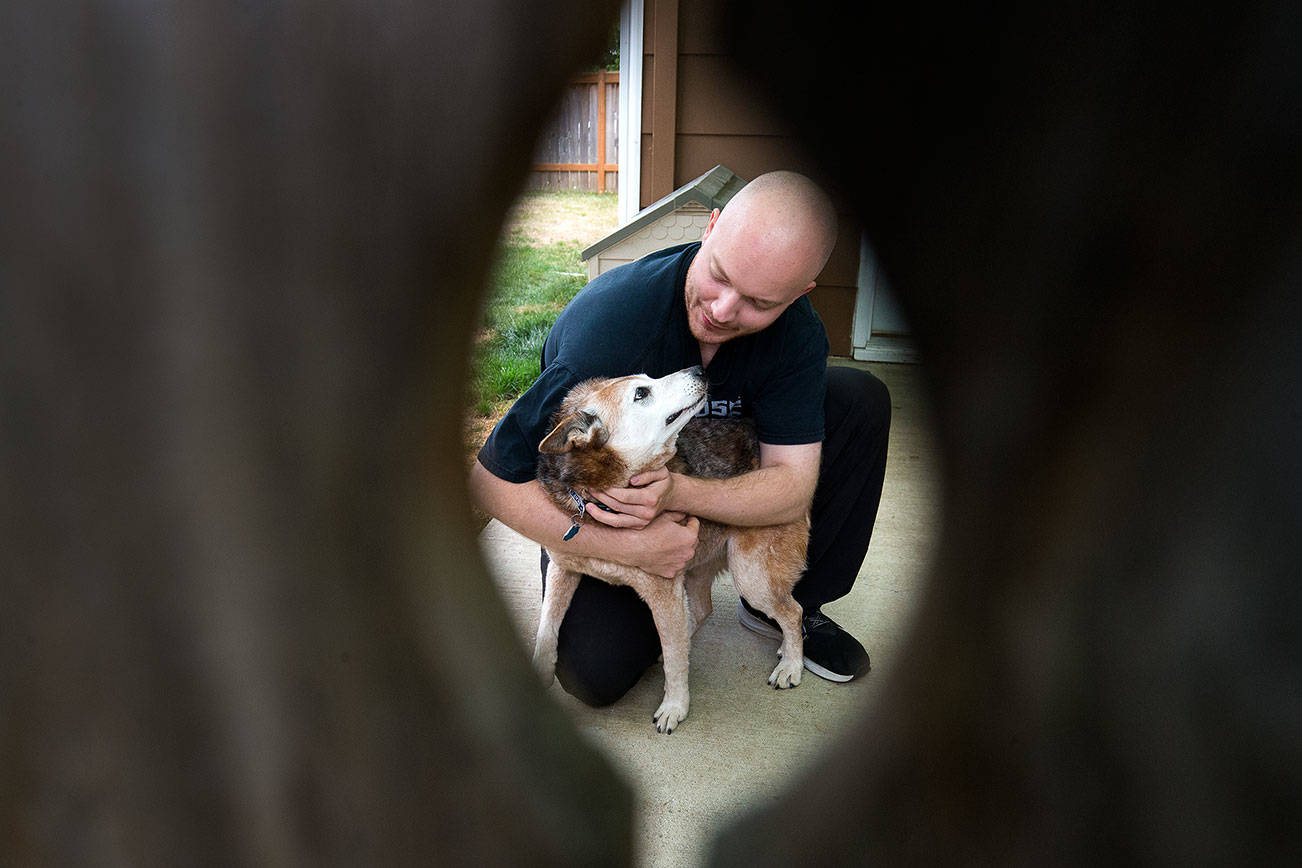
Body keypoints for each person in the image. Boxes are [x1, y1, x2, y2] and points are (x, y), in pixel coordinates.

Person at [469, 170, 891, 707]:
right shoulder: (606, 331)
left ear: (799, 294)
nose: (722, 311)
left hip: (705, 471)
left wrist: (675, 495)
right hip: (601, 505)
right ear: (710, 228)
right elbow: (490, 482)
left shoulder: (799, 335)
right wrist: (627, 546)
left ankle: (792, 605)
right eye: (719, 276)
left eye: (759, 303)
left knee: (858, 399)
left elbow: (793, 484)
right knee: (594, 673)